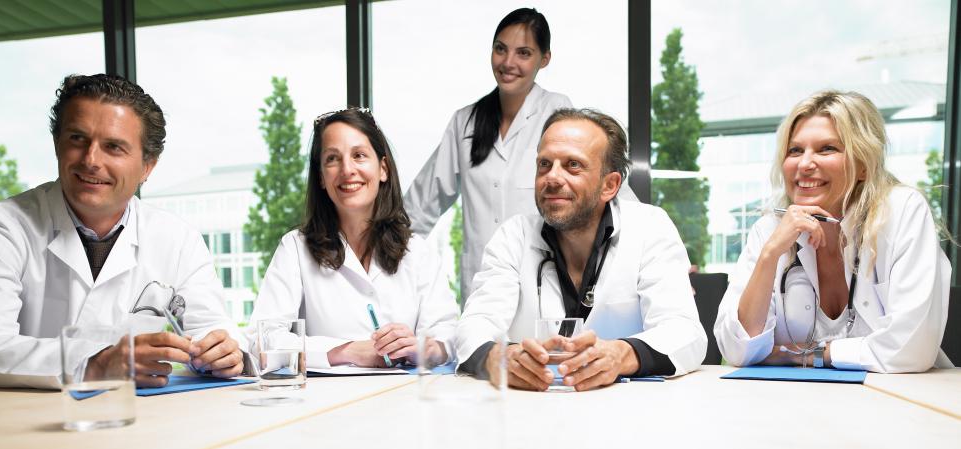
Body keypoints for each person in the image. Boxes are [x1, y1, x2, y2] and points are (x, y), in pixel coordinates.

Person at [0, 74, 245, 389]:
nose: (91, 160)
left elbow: (212, 330)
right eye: (77, 139)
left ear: (148, 166)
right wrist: (95, 364)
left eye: (113, 147)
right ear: (57, 144)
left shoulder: (177, 239)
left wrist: (221, 354)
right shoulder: (2, 228)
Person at [455, 108, 707, 391]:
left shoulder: (649, 227)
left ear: (609, 185)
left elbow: (686, 333)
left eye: (573, 165)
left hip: (628, 414)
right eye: (544, 164)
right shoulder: (514, 236)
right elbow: (473, 326)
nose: (552, 178)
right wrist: (498, 357)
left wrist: (622, 354)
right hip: (530, 411)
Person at [714, 90, 952, 373]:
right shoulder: (770, 230)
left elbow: (911, 348)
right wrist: (770, 254)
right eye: (795, 150)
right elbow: (738, 349)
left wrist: (803, 355)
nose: (804, 164)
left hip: (901, 398)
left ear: (863, 164)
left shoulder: (901, 211)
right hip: (799, 403)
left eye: (827, 149)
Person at [248, 108, 458, 369]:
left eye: (359, 155)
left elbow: (447, 335)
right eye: (333, 159)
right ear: (322, 178)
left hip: (401, 399)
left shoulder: (417, 251)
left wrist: (424, 348)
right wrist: (344, 351)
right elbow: (262, 339)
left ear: (383, 169)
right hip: (324, 403)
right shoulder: (295, 248)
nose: (347, 169)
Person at [404, 8, 572, 305]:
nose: (508, 63)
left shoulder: (557, 112)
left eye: (523, 53)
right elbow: (420, 206)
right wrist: (370, 251)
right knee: (484, 350)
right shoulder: (465, 122)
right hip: (480, 288)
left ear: (544, 59)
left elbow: (603, 188)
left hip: (542, 285)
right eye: (500, 49)